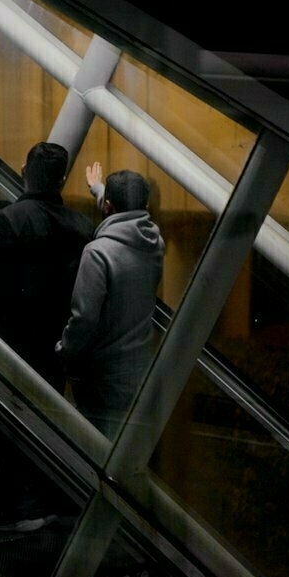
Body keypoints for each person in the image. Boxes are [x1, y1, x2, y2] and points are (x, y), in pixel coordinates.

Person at [0, 142, 93, 533]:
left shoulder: (12, 220)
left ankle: (20, 506)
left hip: (13, 340)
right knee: (49, 416)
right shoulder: (79, 226)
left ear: (24, 172)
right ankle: (47, 499)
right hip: (56, 342)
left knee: (7, 421)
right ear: (61, 179)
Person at [57, 164, 165, 440]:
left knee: (98, 451)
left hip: (103, 378)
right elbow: (125, 220)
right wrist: (97, 189)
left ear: (107, 207)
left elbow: (84, 319)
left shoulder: (97, 253)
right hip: (139, 368)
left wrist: (64, 349)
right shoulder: (155, 243)